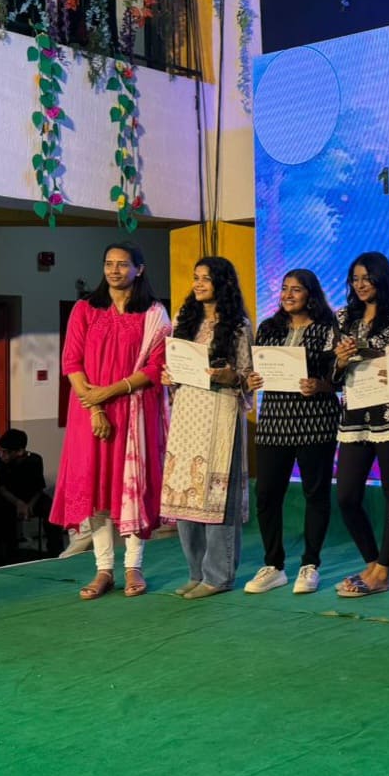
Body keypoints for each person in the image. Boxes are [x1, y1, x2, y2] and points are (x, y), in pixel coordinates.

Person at [49, 240, 170, 598]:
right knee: (97, 490)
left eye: (122, 264)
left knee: (132, 487)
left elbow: (157, 367)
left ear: (139, 269)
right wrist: (96, 407)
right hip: (89, 413)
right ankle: (104, 570)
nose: (114, 270)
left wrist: (110, 392)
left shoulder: (153, 313)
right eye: (109, 264)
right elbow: (71, 362)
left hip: (135, 410)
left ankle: (134, 567)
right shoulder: (86, 309)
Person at [243, 269, 340, 595]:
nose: (288, 294)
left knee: (316, 494)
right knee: (267, 495)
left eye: (296, 289)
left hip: (316, 422)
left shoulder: (328, 328)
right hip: (274, 422)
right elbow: (256, 369)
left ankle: (310, 564)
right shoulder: (268, 328)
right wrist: (252, 379)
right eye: (284, 288)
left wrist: (319, 385)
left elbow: (339, 378)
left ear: (311, 294)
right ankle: (274, 565)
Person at [161, 257, 252, 599]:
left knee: (217, 496)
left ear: (222, 283)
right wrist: (169, 377)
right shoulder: (184, 319)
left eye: (206, 278)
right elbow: (175, 365)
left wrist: (231, 376)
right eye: (195, 277)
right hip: (187, 413)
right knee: (185, 492)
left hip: (220, 412)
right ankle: (196, 572)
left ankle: (219, 575)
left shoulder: (239, 325)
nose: (198, 284)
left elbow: (248, 376)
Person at [333, 252, 389, 598]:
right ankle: (372, 562)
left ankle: (383, 571)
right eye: (355, 279)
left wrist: (372, 353)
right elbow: (333, 373)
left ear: (382, 277)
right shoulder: (342, 317)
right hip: (354, 413)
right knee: (346, 495)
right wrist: (340, 360)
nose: (360, 285)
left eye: (367, 278)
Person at [0, 428, 64, 558]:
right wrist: (19, 503)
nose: (1, 455)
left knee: (51, 507)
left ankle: (56, 551)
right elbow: (2, 488)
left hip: (33, 498)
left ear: (20, 451)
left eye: (5, 452)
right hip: (10, 498)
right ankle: (6, 553)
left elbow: (39, 488)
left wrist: (30, 505)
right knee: (0, 510)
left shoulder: (35, 460)